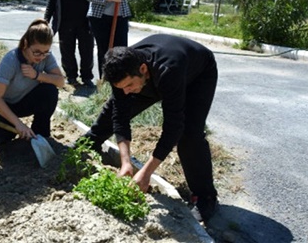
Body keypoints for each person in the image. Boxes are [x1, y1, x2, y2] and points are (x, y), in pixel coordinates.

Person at [75, 34, 219, 222]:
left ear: (142, 69)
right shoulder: (121, 69)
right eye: (121, 87)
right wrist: (126, 161)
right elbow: (119, 115)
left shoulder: (168, 70)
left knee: (189, 135)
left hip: (197, 75)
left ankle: (205, 196)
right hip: (150, 77)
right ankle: (88, 143)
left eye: (128, 85)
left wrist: (146, 172)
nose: (125, 91)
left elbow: (173, 126)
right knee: (113, 109)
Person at [0, 18, 65, 144]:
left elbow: (60, 82)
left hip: (21, 101)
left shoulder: (46, 57)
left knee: (50, 91)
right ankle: (0, 134)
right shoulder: (10, 60)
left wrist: (37, 75)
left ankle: (40, 134)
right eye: (36, 52)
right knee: (5, 136)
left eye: (45, 53)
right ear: (26, 44)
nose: (41, 57)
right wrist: (19, 124)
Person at [44, 0, 94, 87]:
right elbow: (52, 2)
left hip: (85, 24)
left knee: (87, 51)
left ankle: (87, 77)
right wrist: (46, 20)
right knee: (66, 51)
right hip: (65, 24)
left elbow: (94, 0)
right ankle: (71, 76)